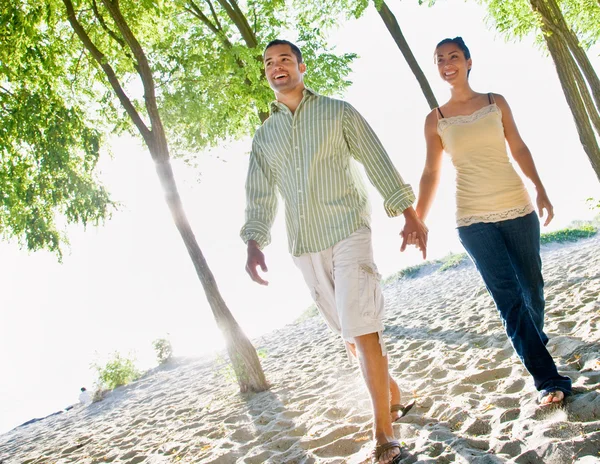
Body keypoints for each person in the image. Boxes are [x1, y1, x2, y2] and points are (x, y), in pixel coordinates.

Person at [241, 39, 427, 464]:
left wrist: (408, 213)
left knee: (362, 328)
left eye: (285, 59)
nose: (276, 67)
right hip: (304, 244)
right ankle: (395, 395)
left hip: (348, 230)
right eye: (269, 63)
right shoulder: (265, 135)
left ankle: (384, 435)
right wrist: (254, 241)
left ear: (302, 68)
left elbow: (375, 157)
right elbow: (260, 195)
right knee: (350, 335)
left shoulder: (336, 111)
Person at [412, 36, 572, 405]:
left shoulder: (494, 102)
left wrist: (541, 189)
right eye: (439, 59)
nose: (447, 63)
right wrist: (419, 220)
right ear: (436, 68)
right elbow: (430, 173)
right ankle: (549, 380)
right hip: (472, 218)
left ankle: (536, 340)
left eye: (453, 56)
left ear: (469, 61)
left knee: (532, 287)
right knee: (509, 300)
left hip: (517, 207)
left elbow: (517, 146)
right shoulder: (434, 120)